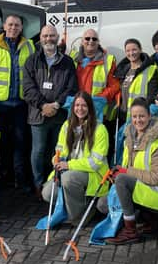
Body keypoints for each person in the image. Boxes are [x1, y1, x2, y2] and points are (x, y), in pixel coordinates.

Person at [98, 97, 158, 244]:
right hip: (144, 190)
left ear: (149, 116)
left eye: (142, 116)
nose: (138, 120)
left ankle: (131, 231)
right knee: (103, 204)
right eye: (134, 116)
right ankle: (150, 221)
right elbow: (128, 169)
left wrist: (125, 173)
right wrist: (116, 173)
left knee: (121, 181)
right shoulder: (130, 139)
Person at [0, 14, 35, 192]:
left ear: (21, 28)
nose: (13, 28)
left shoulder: (29, 46)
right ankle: (0, 179)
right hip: (0, 105)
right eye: (10, 24)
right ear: (4, 26)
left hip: (21, 104)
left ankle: (20, 180)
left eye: (17, 25)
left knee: (21, 143)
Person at [23, 25, 78, 192]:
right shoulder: (32, 60)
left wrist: (55, 105)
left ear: (57, 37)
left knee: (58, 151)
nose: (49, 39)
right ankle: (39, 184)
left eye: (52, 35)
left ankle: (55, 182)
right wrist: (42, 105)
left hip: (59, 115)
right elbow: (27, 88)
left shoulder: (67, 62)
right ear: (40, 38)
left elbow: (71, 88)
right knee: (38, 151)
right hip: (37, 115)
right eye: (45, 36)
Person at [41, 91, 109, 221]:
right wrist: (57, 159)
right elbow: (59, 149)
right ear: (73, 108)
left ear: (90, 108)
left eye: (84, 105)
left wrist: (68, 165)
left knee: (68, 179)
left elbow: (95, 163)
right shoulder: (67, 125)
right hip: (70, 171)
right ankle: (78, 204)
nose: (80, 109)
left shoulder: (100, 129)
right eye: (77, 105)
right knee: (48, 193)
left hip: (94, 174)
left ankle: (79, 216)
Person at [69, 28, 120, 117]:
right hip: (76, 110)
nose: (91, 41)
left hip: (97, 110)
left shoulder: (108, 60)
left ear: (98, 42)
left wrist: (98, 99)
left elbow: (114, 86)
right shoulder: (72, 58)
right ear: (81, 41)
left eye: (94, 39)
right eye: (87, 38)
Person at [114, 38, 158, 123]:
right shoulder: (123, 71)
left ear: (140, 50)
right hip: (123, 115)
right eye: (128, 50)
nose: (131, 53)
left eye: (134, 50)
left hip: (140, 118)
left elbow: (151, 96)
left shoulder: (151, 69)